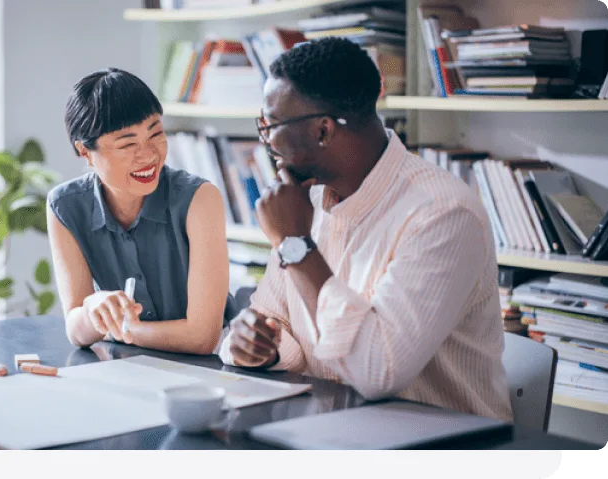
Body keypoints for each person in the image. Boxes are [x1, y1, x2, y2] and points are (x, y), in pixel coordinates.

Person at [218, 38, 513, 421]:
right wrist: (261, 347)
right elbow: (283, 328)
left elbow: (378, 371)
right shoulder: (306, 201)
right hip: (335, 429)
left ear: (323, 131)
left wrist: (295, 245)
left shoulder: (442, 214)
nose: (267, 143)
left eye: (271, 125)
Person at [47, 68, 236, 354]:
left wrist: (120, 330)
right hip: (128, 368)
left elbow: (203, 337)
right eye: (128, 144)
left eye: (156, 134)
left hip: (212, 368)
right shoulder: (65, 205)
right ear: (85, 152)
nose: (148, 155)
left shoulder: (200, 199)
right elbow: (75, 328)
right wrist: (91, 309)